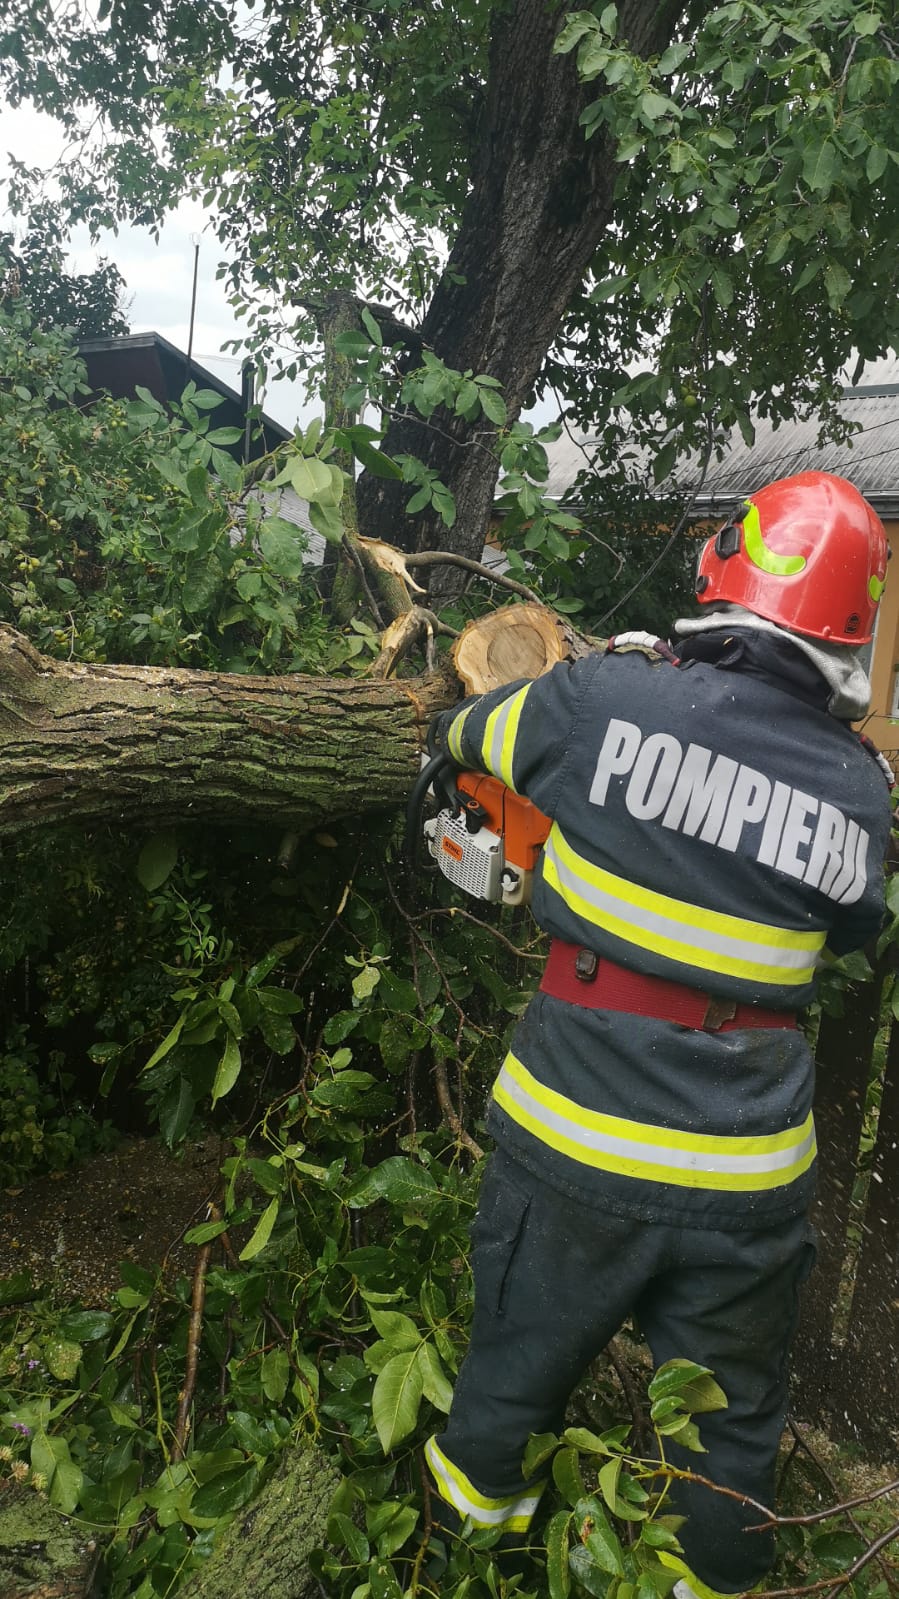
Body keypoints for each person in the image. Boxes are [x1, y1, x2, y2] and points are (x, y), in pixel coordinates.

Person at [423, 471, 893, 1598]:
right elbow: (853, 922)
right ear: (854, 628)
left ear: (723, 569)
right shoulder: (862, 792)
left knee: (506, 1388)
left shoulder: (597, 700)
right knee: (727, 1449)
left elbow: (468, 732)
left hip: (575, 1143)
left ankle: (459, 1568)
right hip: (747, 1177)